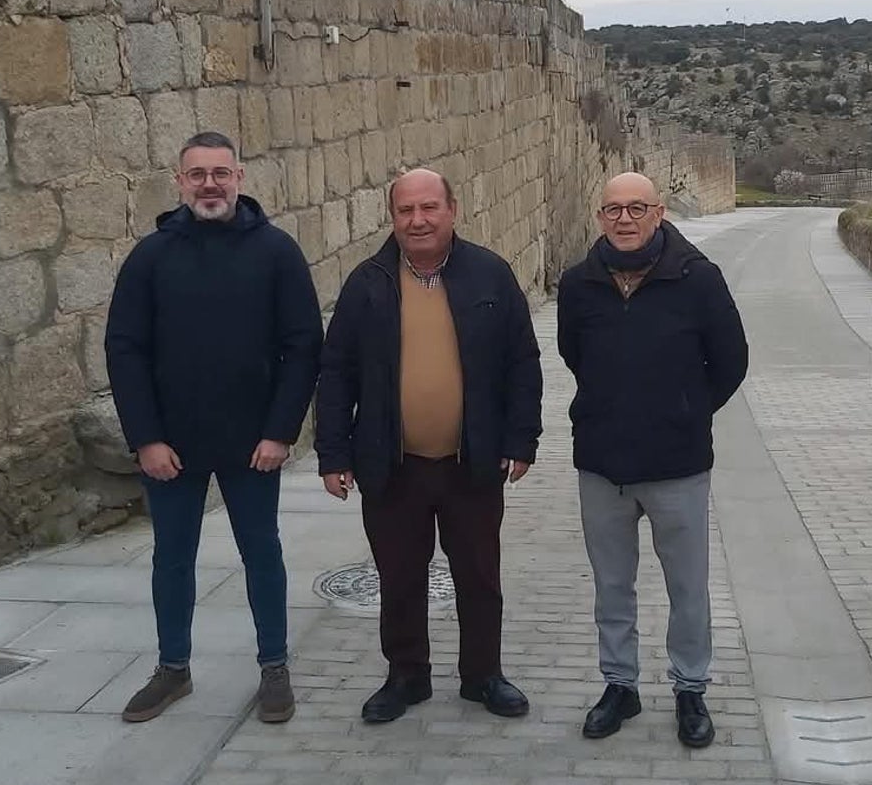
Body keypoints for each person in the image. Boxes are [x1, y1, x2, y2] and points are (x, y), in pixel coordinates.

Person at [105, 131, 323, 724]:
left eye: (220, 173)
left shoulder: (276, 252)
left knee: (262, 553)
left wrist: (281, 431)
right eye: (197, 174)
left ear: (240, 178)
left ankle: (274, 667)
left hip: (253, 444)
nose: (209, 184)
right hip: (170, 447)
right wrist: (146, 437)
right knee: (172, 558)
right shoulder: (150, 258)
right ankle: (172, 668)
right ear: (179, 182)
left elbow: (302, 346)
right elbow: (124, 349)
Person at [315, 168, 543, 723]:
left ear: (452, 209)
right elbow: (336, 371)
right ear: (392, 218)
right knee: (399, 578)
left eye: (428, 208)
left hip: (473, 462)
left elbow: (523, 362)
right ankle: (407, 676)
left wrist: (522, 441)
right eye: (405, 211)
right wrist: (333, 454)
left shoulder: (490, 275)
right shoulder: (368, 283)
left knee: (479, 577)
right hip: (393, 466)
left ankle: (483, 675)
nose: (417, 220)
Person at [556, 172, 748, 748]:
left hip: (677, 464)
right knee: (612, 585)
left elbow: (731, 360)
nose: (624, 219)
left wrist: (685, 410)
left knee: (687, 586)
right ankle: (620, 686)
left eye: (636, 208)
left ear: (659, 213)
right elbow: (574, 354)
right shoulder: (578, 284)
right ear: (600, 218)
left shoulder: (699, 279)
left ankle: (690, 689)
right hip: (602, 463)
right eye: (612, 209)